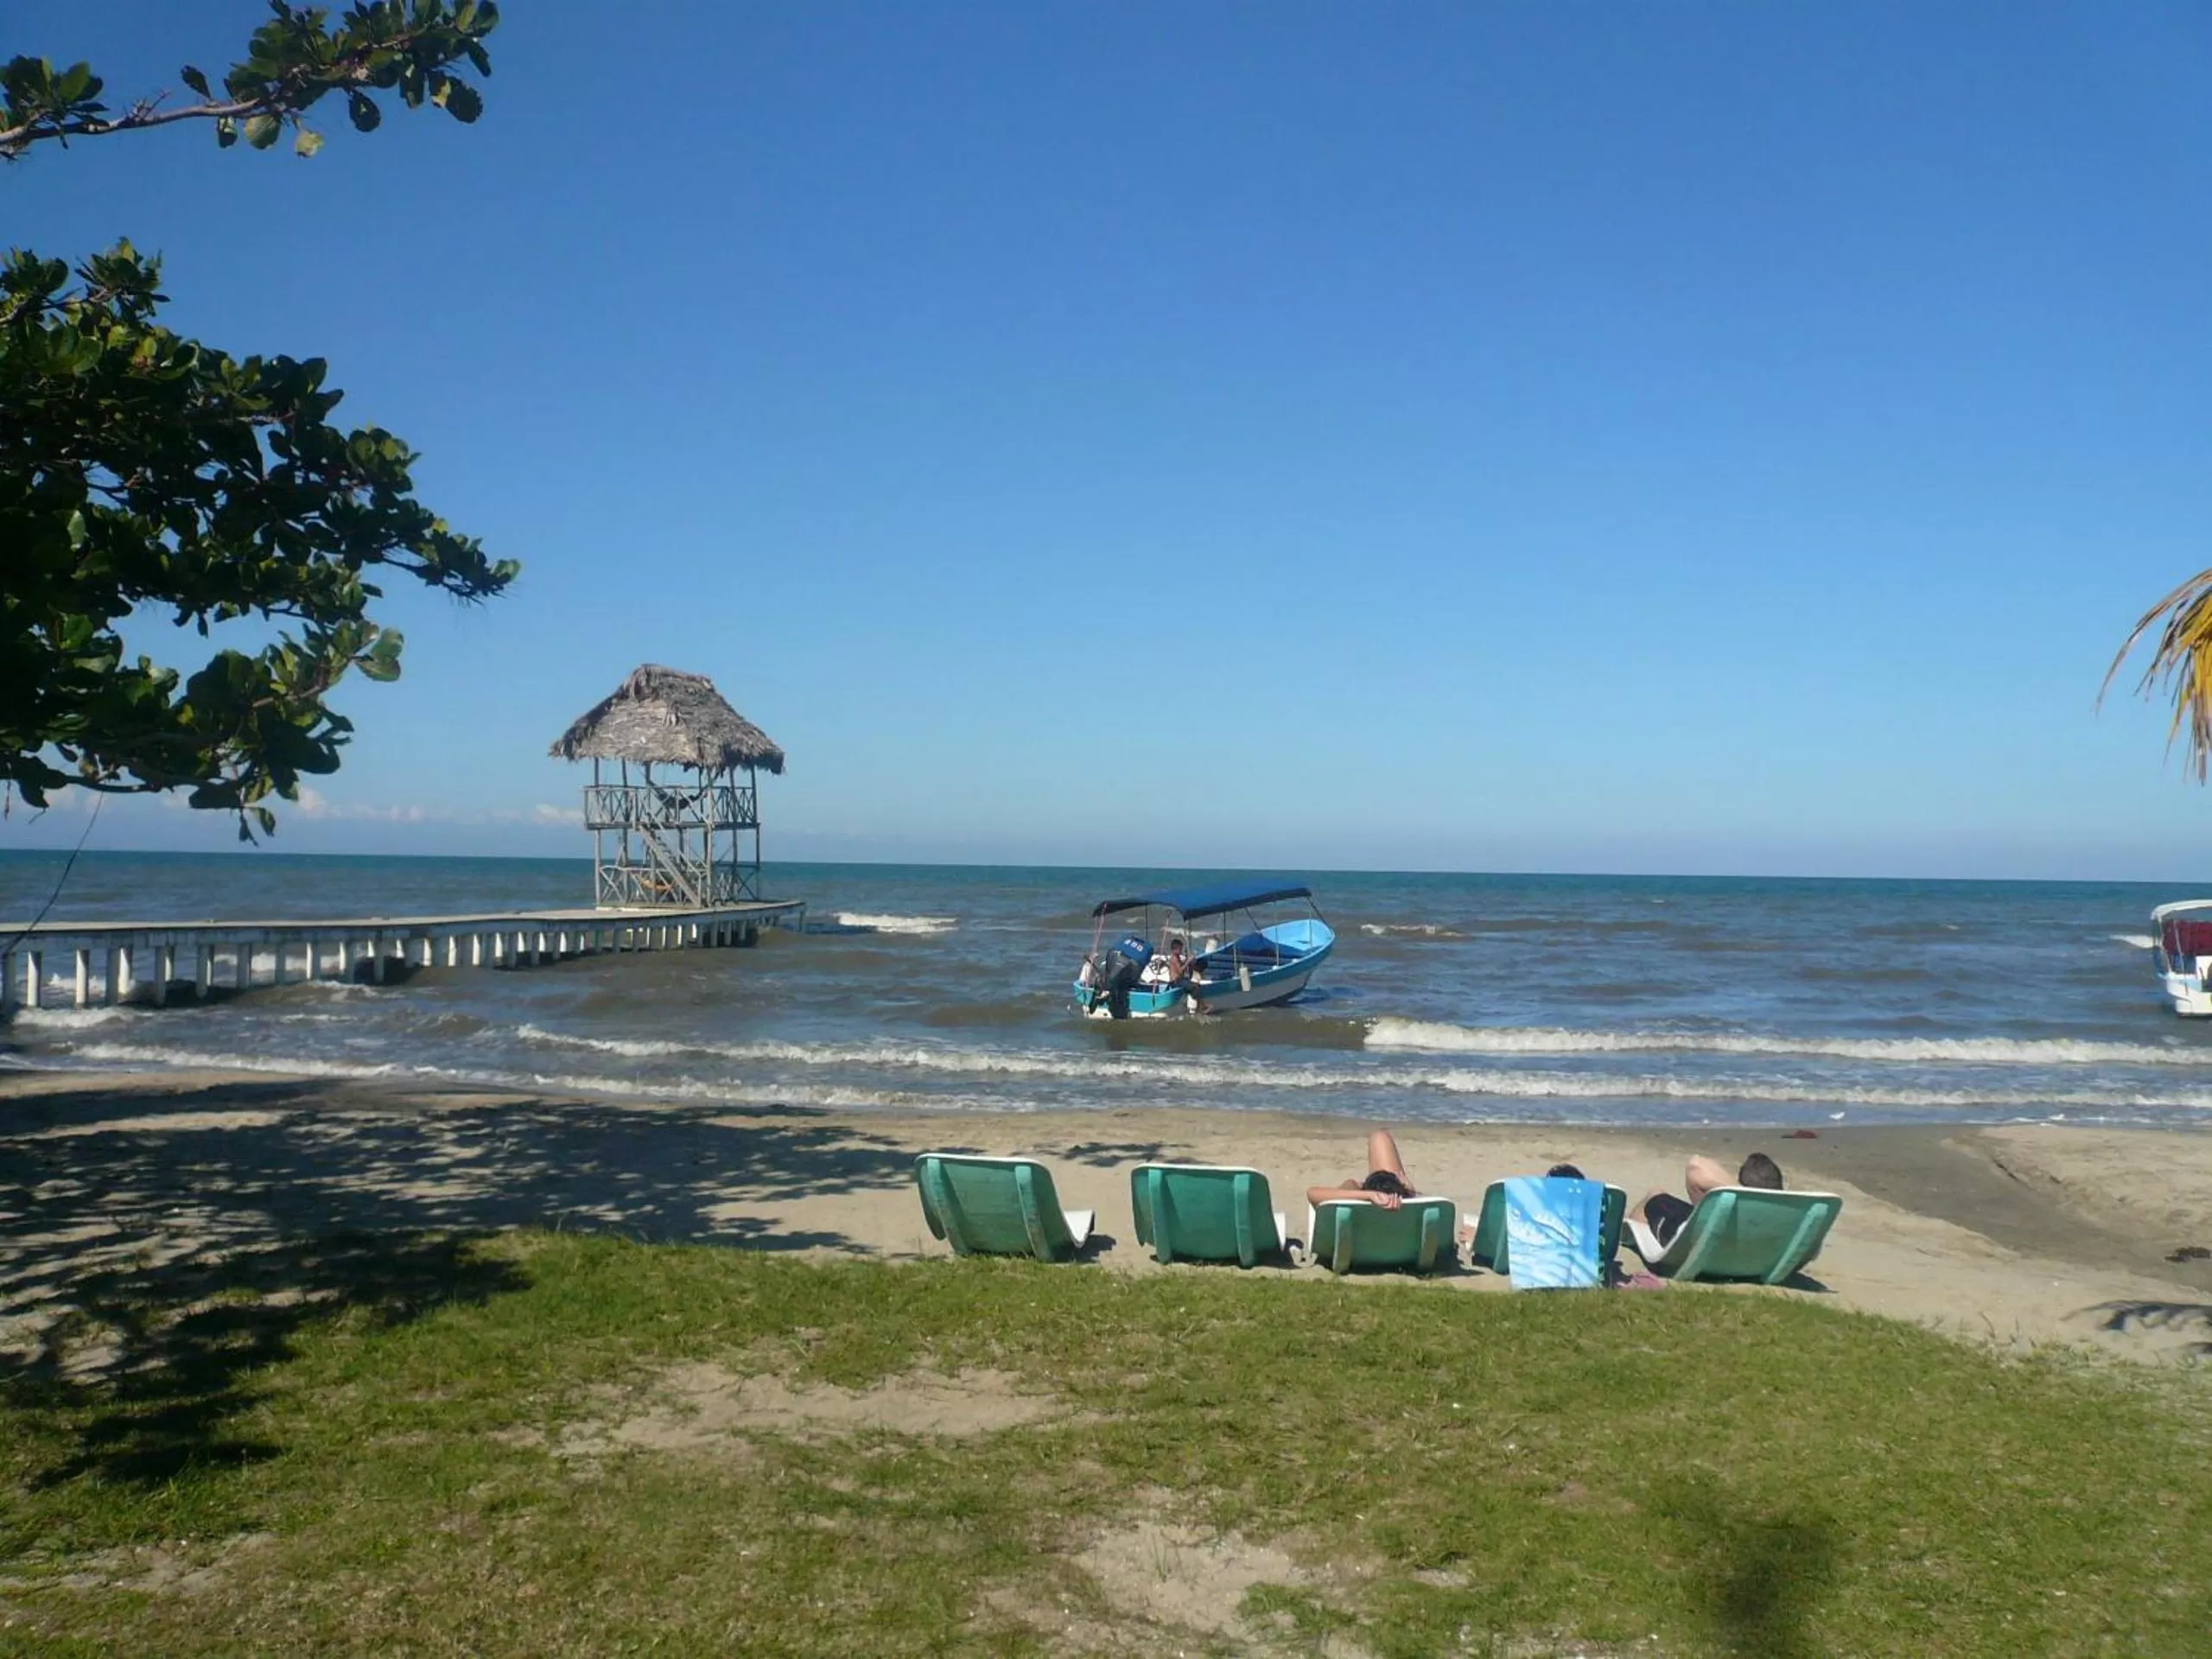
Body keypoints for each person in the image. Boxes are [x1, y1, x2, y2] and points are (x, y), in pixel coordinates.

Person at [1632, 1152, 1783, 1248]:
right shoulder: (1783, 1220)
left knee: (1654, 1195)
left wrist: (1740, 1193)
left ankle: (1628, 1237)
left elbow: (1696, 1165)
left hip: (1694, 1244)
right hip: (1737, 1244)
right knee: (1662, 1195)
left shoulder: (1739, 1212)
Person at [1307, 1129, 1421, 1210]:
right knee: (1379, 1137)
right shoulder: (1417, 1208)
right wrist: (1410, 1194)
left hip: (1361, 1230)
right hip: (1400, 1230)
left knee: (1350, 1184)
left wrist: (1368, 1195)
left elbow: (1312, 1193)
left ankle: (1359, 1187)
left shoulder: (1356, 1207)